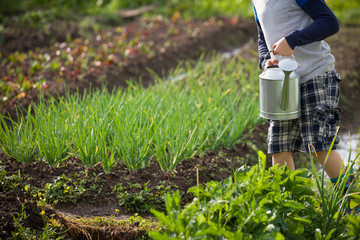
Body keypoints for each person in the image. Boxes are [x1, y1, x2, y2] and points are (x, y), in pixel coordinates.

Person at [252, 0, 356, 211]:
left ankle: (353, 205)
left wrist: (293, 40)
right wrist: (265, 60)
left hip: (315, 73)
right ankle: (292, 211)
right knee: (279, 147)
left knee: (319, 145)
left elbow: (329, 22)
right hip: (283, 80)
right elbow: (262, 37)